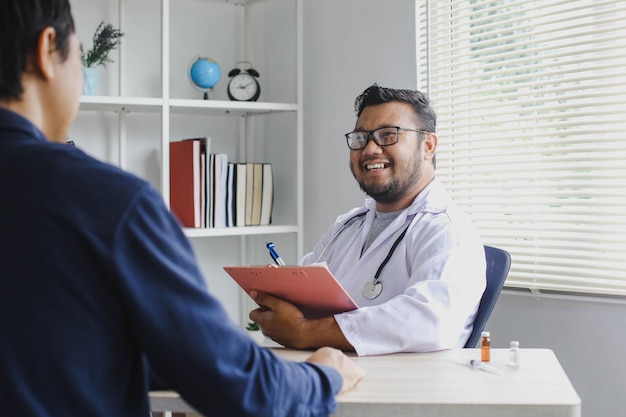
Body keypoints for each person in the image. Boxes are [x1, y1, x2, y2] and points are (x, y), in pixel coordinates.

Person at [0, 1, 363, 416]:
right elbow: (240, 390)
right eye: (79, 57)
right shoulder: (108, 203)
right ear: (47, 50)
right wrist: (325, 375)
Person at [250, 84, 486, 356]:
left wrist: (303, 331)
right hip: (330, 370)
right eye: (361, 138)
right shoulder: (349, 224)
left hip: (401, 388)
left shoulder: (446, 229)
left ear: (428, 146)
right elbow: (309, 286)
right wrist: (281, 293)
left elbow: (430, 322)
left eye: (388, 135)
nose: (370, 149)